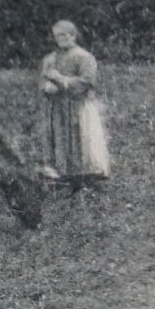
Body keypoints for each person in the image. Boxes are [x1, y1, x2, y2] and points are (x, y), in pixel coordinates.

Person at [40, 20, 110, 190]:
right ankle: (62, 173)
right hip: (57, 106)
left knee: (80, 136)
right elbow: (44, 79)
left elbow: (86, 82)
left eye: (65, 35)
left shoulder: (84, 57)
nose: (61, 39)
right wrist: (46, 87)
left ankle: (85, 175)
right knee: (59, 137)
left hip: (78, 105)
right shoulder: (51, 58)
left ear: (73, 35)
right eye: (57, 35)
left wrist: (61, 80)